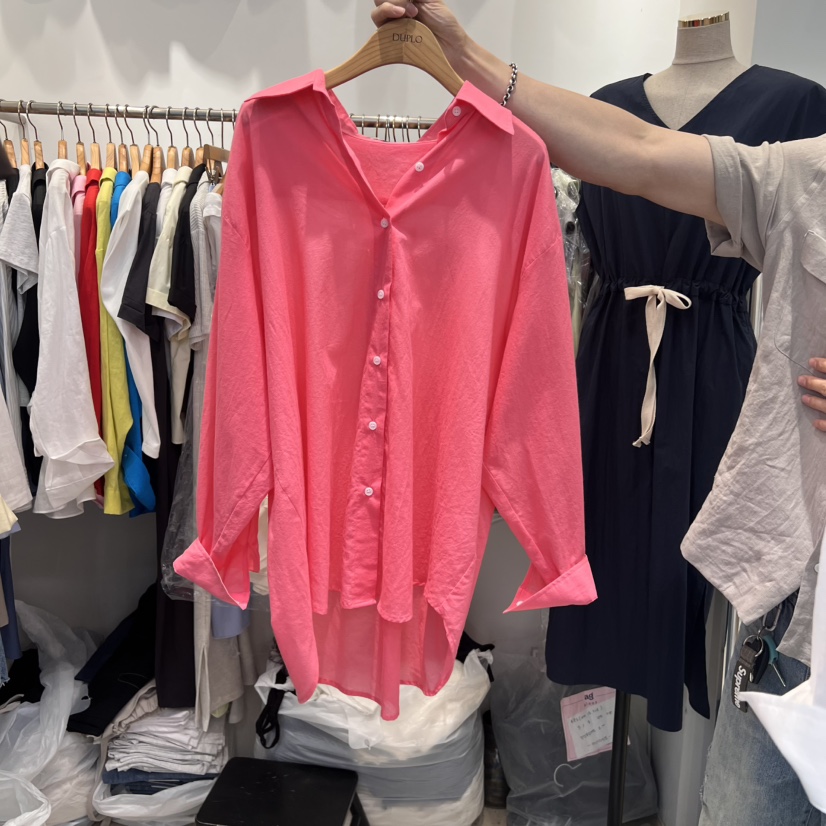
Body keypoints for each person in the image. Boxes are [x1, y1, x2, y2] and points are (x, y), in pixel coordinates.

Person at [372, 2, 826, 824]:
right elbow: (639, 160)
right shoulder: (627, 109)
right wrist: (465, 56)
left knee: (700, 593)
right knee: (605, 564)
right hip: (612, 362)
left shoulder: (801, 104)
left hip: (716, 371)